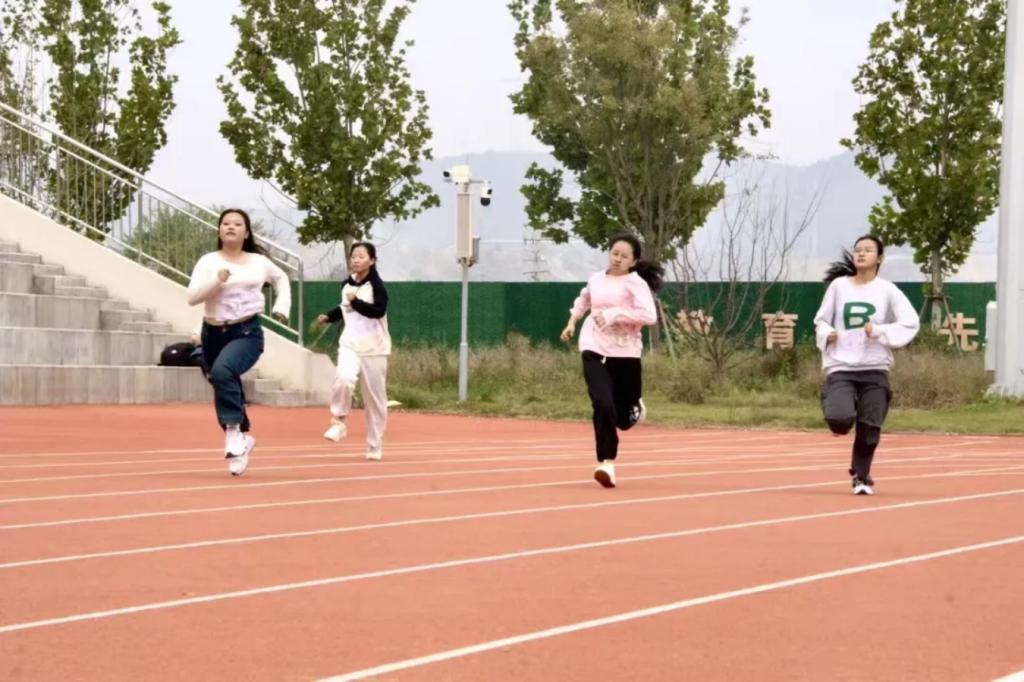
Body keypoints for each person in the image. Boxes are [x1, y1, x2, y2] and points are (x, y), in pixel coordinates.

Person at [187, 208, 290, 476]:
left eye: (237, 224)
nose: (230, 227)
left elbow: (282, 279)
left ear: (246, 233)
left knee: (223, 371)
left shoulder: (259, 262)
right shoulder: (208, 261)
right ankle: (243, 438)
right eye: (225, 223)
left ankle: (233, 433)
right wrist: (216, 281)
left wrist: (282, 307)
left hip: (246, 332)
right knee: (221, 381)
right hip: (212, 333)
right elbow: (192, 297)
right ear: (219, 230)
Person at [813, 234, 919, 495]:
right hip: (841, 366)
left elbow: (910, 322)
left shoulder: (887, 290)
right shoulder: (838, 286)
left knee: (870, 426)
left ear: (879, 258)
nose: (861, 253)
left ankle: (861, 477)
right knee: (839, 420)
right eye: (857, 249)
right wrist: (827, 333)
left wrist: (880, 331)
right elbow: (821, 320)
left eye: (868, 250)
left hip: (874, 367)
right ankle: (832, 399)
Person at [560, 234, 661, 488]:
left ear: (633, 261)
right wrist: (571, 323)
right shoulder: (596, 279)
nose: (617, 259)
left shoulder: (635, 283)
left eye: (624, 256)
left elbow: (649, 316)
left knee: (623, 419)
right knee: (602, 403)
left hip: (626, 353)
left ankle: (634, 406)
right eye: (615, 253)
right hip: (594, 346)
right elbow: (583, 301)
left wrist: (614, 314)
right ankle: (606, 462)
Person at [317, 241, 391, 461]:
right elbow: (344, 308)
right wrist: (329, 317)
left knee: (375, 400)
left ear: (372, 261)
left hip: (374, 349)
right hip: (350, 344)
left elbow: (378, 311)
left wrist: (356, 302)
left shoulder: (377, 286)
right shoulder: (346, 285)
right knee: (344, 379)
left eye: (361, 256)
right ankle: (338, 421)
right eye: (353, 256)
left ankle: (374, 444)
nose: (356, 260)